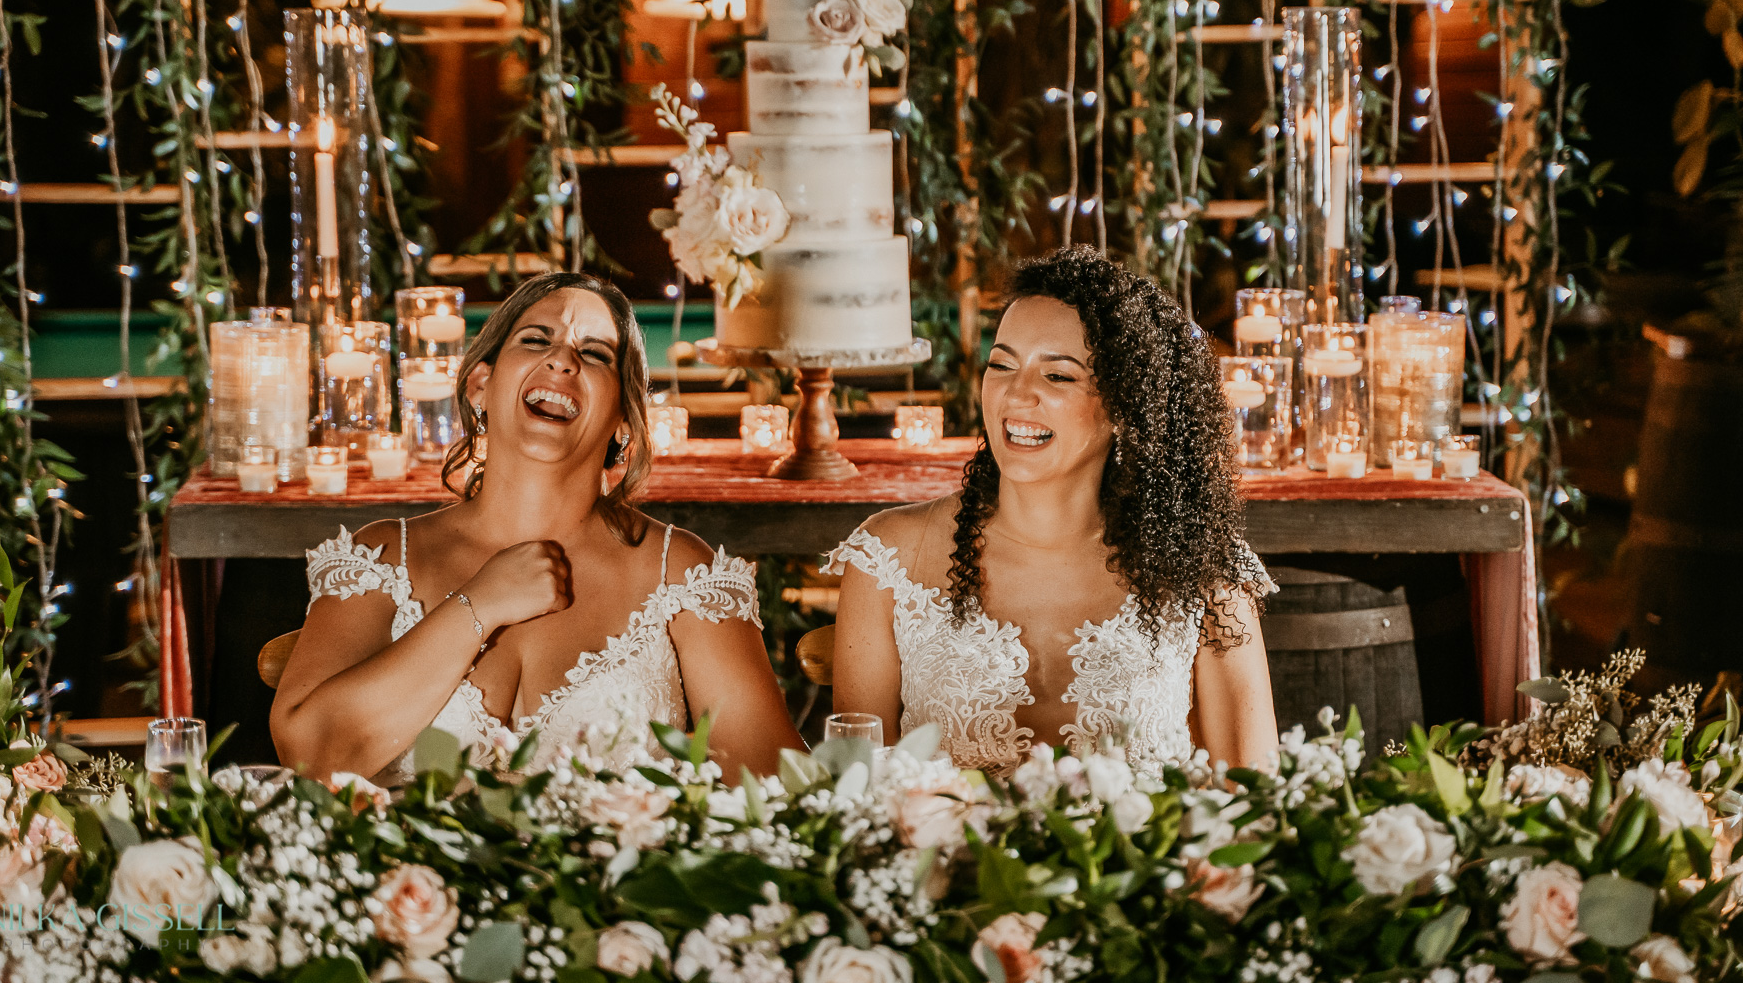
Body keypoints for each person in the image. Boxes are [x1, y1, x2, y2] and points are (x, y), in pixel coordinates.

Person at [271, 273, 804, 786]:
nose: (563, 359)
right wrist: (479, 605)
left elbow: (777, 790)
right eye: (536, 339)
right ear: (482, 384)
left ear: (624, 416)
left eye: (595, 354)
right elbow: (310, 753)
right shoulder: (381, 555)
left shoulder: (681, 573)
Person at [830, 246, 1278, 777]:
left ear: (1126, 407)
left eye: (1058, 376)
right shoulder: (888, 557)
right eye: (1001, 365)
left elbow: (1250, 792)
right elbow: (854, 787)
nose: (1017, 394)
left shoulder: (1203, 566)